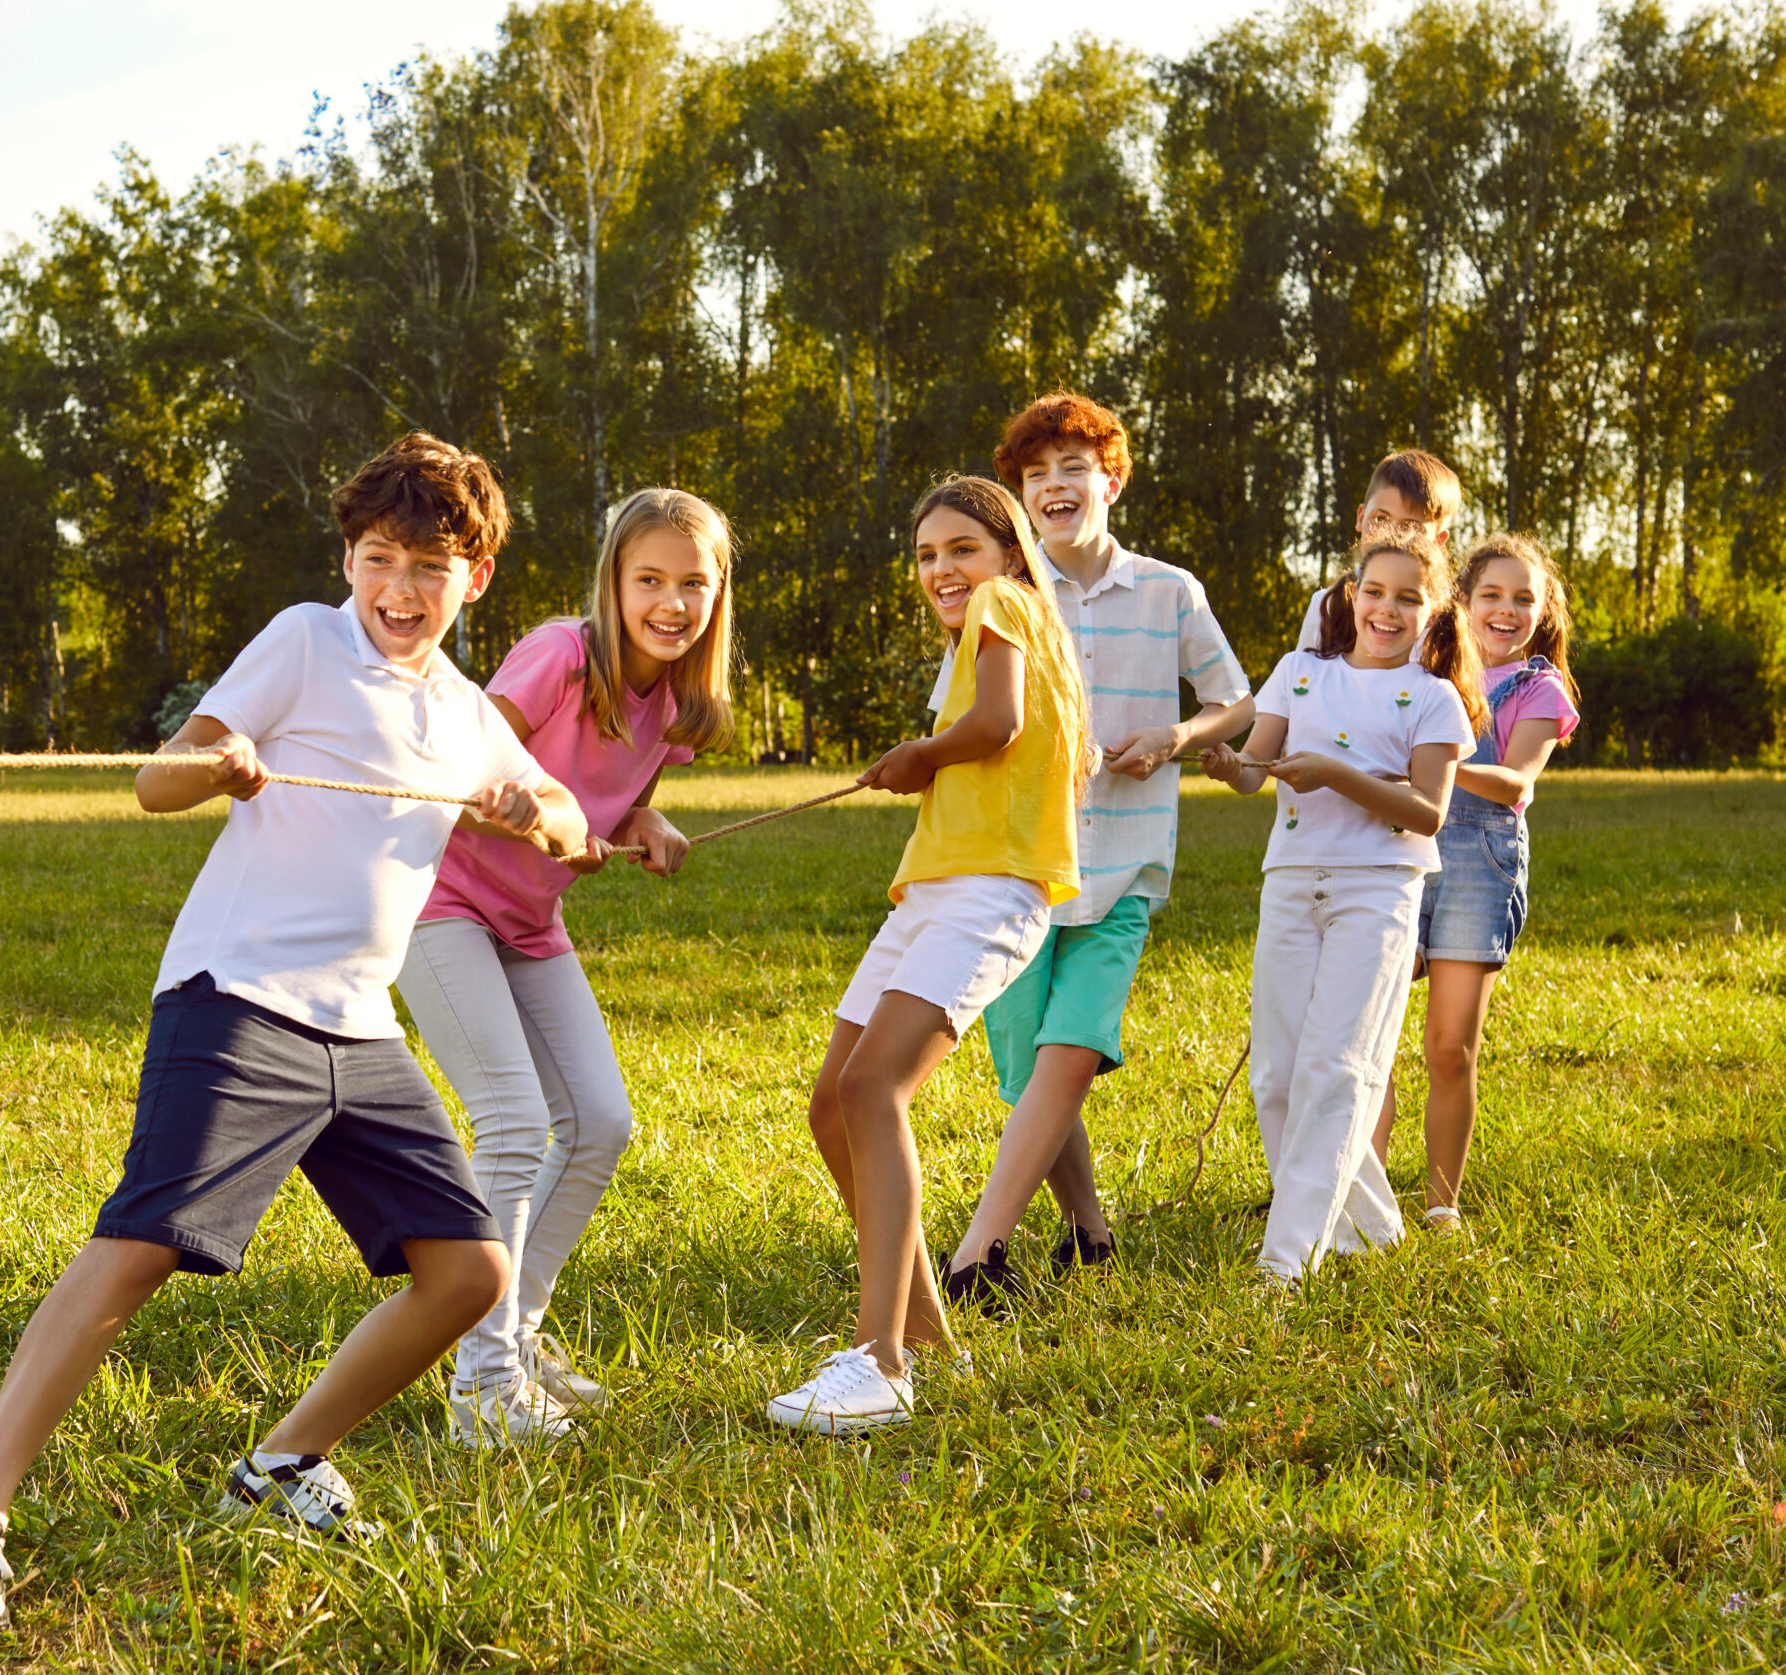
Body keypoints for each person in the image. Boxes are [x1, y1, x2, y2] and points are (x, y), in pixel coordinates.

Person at [0, 433, 589, 1635]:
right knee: (144, 1243)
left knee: (469, 1273)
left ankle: (278, 1468)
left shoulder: (466, 714)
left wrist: (539, 806)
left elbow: (572, 824)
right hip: (236, 999)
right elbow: (154, 784)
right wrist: (217, 762)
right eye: (379, 559)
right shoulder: (304, 642)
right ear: (347, 559)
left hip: (359, 1030)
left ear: (474, 579)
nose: (399, 590)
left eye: (430, 566)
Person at [397, 488, 734, 1447]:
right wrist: (517, 808)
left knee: (598, 1122)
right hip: (441, 904)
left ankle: (517, 1330)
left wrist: (645, 821)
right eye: (650, 580)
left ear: (717, 596)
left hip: (530, 920)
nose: (670, 603)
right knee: (508, 1122)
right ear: (614, 583)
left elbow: (608, 800)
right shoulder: (561, 653)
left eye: (692, 585)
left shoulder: (671, 701)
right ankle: (483, 1388)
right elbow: (458, 759)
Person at [773, 476, 1085, 1433]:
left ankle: (880, 1360)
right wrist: (933, 753)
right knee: (833, 1103)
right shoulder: (985, 634)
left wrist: (920, 754)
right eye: (926, 556)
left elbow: (998, 729)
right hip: (938, 887)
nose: (943, 570)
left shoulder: (1006, 608)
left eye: (962, 549)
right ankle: (929, 1338)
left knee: (872, 1091)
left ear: (1007, 552)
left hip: (990, 890)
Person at [937, 393, 1255, 1307]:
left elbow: (1236, 700)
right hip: (1014, 867)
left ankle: (977, 1253)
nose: (1052, 487)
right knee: (1033, 1067)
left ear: (1109, 480)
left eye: (1071, 468)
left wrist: (1176, 737)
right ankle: (1091, 1233)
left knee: (1071, 1051)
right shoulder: (1002, 597)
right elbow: (961, 722)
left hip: (1122, 863)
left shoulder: (1169, 590)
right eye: (1034, 475)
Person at [1199, 527, 1482, 1282]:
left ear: (1436, 612)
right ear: (1351, 595)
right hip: (1291, 881)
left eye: (1408, 599)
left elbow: (1426, 812)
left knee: (1338, 1068)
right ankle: (1373, 1230)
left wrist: (1334, 771)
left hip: (1378, 890)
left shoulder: (1436, 699)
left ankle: (1285, 1262)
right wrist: (1230, 765)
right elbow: (1258, 772)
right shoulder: (1299, 672)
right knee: (1279, 1076)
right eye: (1375, 592)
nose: (1387, 610)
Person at [1371, 533, 1580, 1231]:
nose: (1506, 609)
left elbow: (1517, 780)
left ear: (1544, 609)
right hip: (1399, 850)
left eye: (1524, 598)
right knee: (1369, 1032)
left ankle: (1440, 1205)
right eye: (1490, 594)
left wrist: (1434, 766)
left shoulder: (1540, 689)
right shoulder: (1424, 670)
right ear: (1459, 602)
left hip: (1478, 862)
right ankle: (1363, 1195)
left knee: (1448, 1047)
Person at [1295, 451, 1463, 651]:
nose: (1390, 535)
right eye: (1381, 519)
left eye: (1411, 527)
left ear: (1437, 541)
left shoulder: (1446, 619)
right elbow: (1302, 677)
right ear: (1361, 517)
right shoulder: (1327, 605)